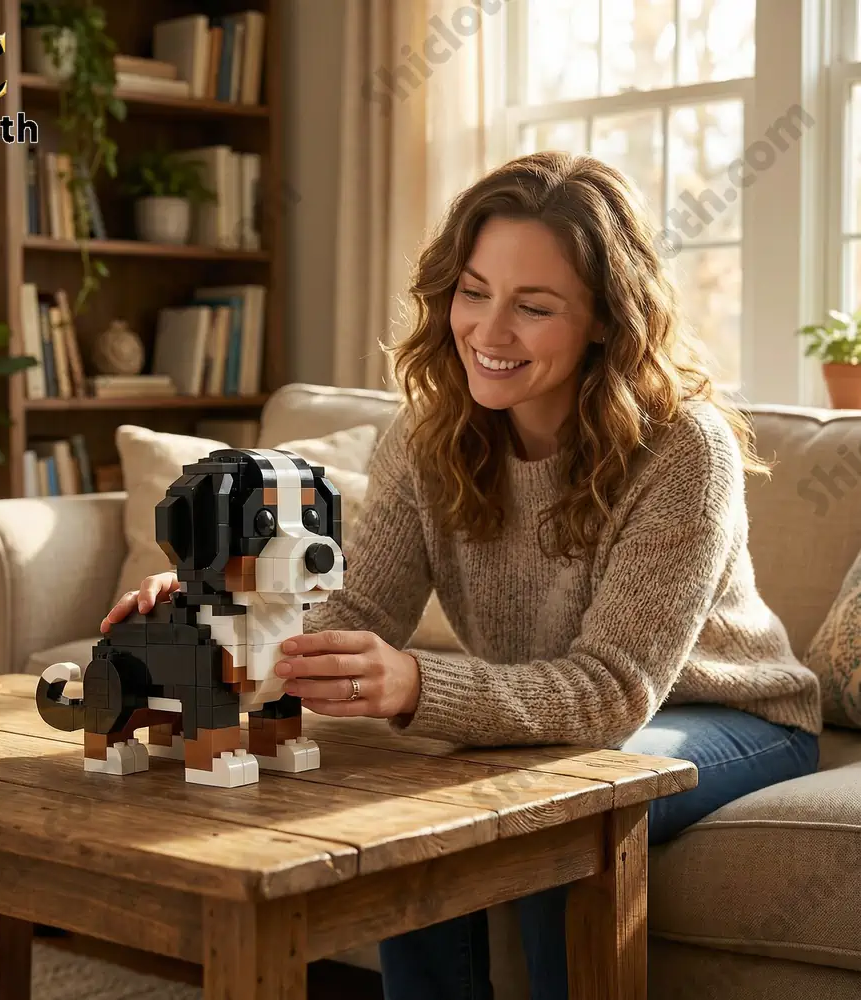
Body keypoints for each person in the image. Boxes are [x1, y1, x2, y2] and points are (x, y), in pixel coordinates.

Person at [101, 151, 823, 1000]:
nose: (488, 331)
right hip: (570, 712)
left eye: (534, 306)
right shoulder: (428, 434)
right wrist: (206, 617)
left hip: (730, 714)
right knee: (422, 813)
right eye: (473, 292)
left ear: (604, 319)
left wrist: (415, 687)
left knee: (561, 814)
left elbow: (613, 693)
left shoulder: (682, 450)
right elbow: (359, 609)